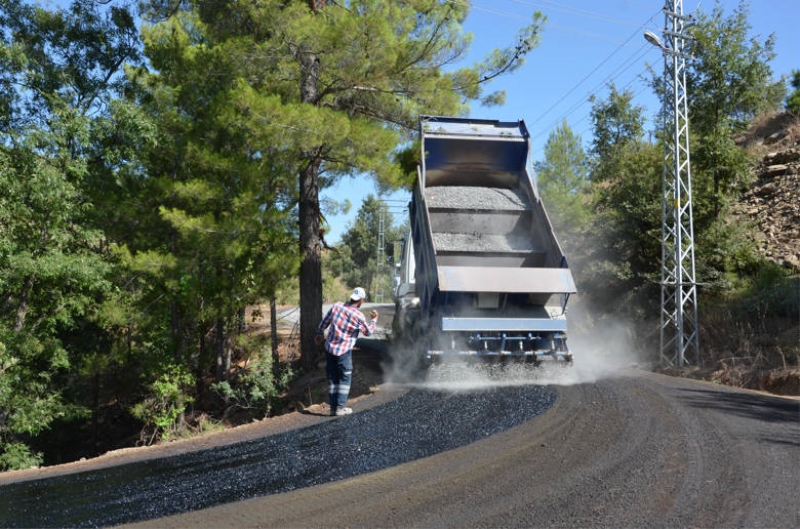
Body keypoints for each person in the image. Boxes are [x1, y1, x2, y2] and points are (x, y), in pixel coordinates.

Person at [315, 287, 378, 417]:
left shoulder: (337, 306)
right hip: (344, 352)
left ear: (351, 297)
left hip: (330, 349)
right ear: (361, 301)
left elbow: (324, 322)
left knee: (332, 377)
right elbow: (368, 332)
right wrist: (374, 319)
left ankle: (333, 408)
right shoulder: (358, 316)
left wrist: (319, 333)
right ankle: (340, 407)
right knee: (344, 377)